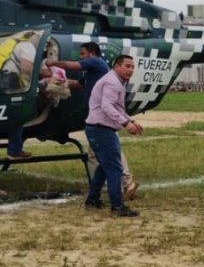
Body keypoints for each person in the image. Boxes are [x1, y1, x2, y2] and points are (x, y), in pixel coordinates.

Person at [49, 42, 140, 200]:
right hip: (98, 120)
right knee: (99, 157)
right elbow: (77, 84)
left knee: (110, 157)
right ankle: (97, 195)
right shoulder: (100, 75)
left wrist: (52, 63)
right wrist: (53, 79)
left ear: (91, 54)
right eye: (128, 66)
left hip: (102, 121)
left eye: (83, 54)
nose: (81, 57)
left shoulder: (97, 62)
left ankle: (124, 184)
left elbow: (74, 65)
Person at [84, 55, 143, 217]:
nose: (130, 70)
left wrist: (130, 120)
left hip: (98, 128)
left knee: (104, 166)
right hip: (101, 129)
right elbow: (107, 106)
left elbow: (116, 107)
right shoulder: (112, 82)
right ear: (117, 66)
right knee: (115, 168)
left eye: (132, 67)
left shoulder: (115, 81)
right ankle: (117, 206)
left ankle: (92, 199)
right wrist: (126, 124)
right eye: (127, 66)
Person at [3, 37, 37, 159]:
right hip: (10, 79)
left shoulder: (16, 46)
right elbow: (26, 68)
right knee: (17, 114)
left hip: (5, 77)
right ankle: (14, 150)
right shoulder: (29, 47)